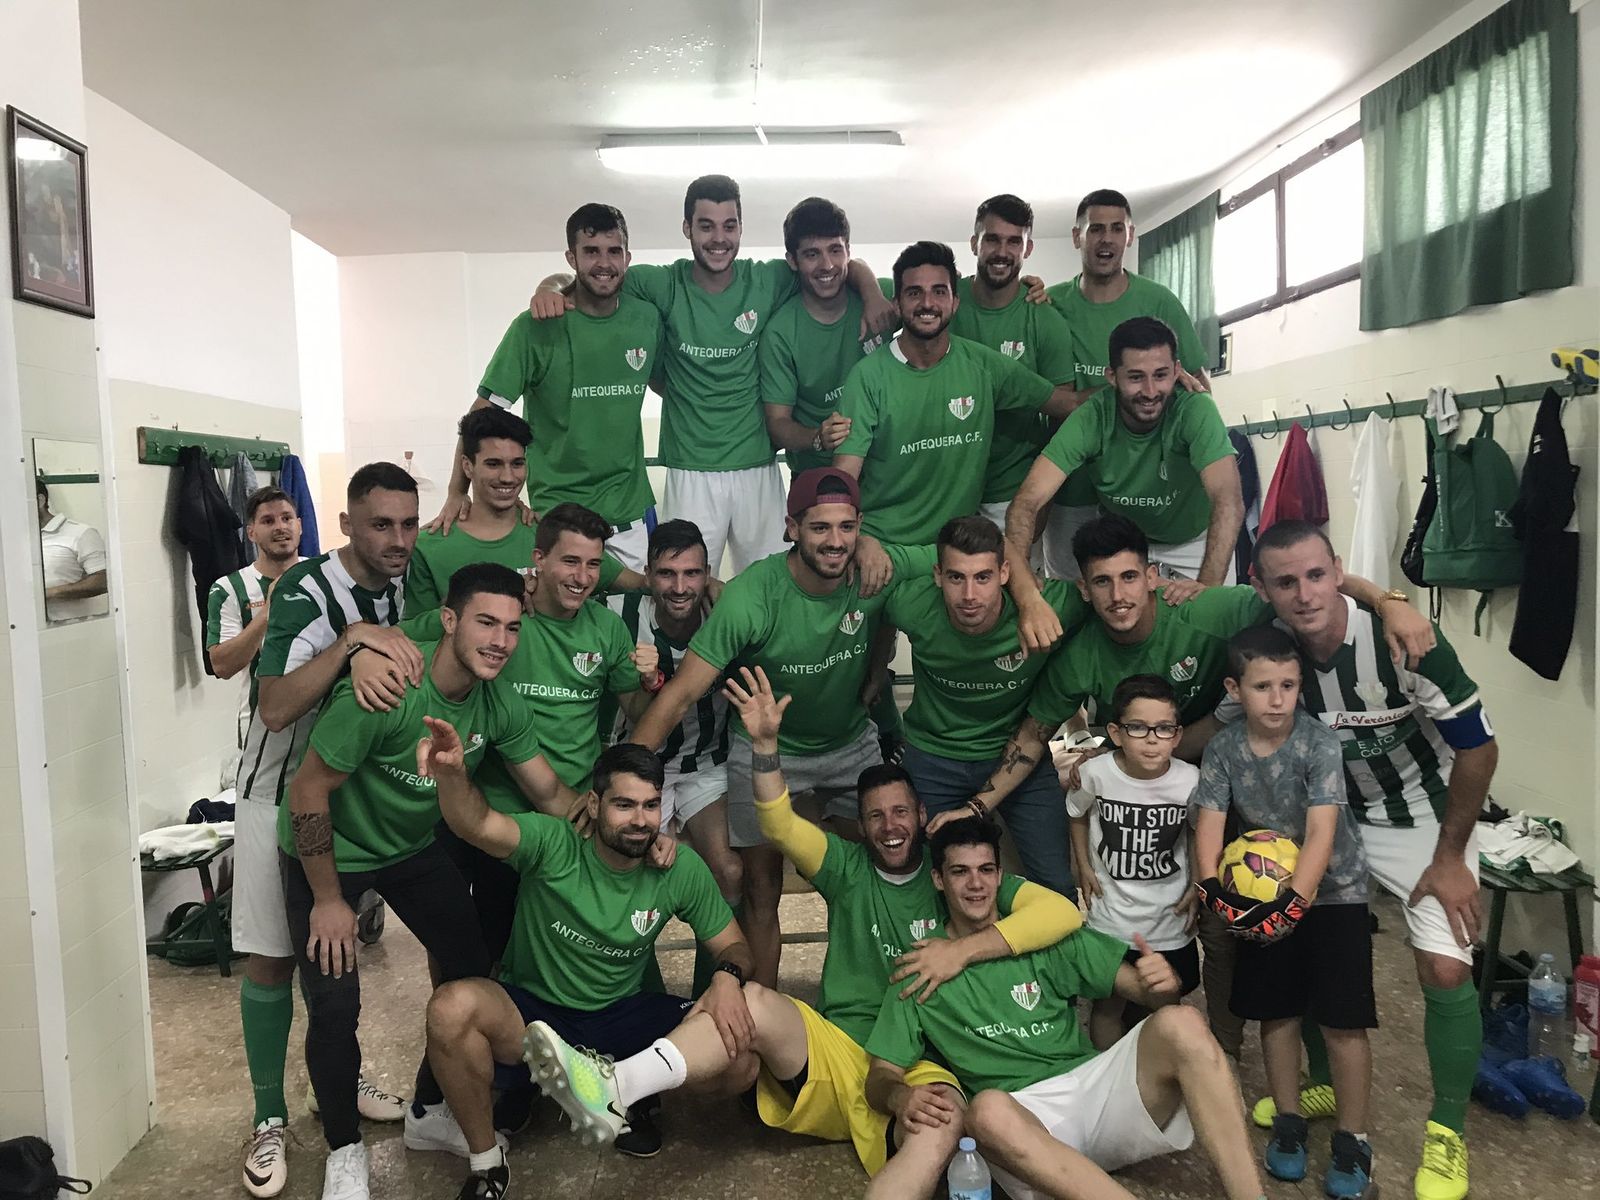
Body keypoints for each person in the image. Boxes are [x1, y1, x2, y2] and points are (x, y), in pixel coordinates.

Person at [529, 664, 1081, 1200]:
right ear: (859, 826)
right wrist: (766, 747)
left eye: (900, 813)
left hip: (922, 1059)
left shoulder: (955, 874)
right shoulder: (846, 867)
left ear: (921, 813)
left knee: (939, 1125)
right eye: (875, 817)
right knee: (753, 1000)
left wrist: (960, 951)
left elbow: (1062, 914)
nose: (890, 828)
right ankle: (616, 1086)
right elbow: (778, 822)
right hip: (839, 1049)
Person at [280, 563, 578, 1200]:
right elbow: (307, 790)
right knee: (335, 1007)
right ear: (449, 621)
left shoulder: (498, 700)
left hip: (410, 848)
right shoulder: (390, 688)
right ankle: (344, 1150)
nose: (500, 639)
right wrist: (329, 900)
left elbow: (548, 789)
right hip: (329, 848)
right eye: (486, 622)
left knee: (471, 972)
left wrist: (613, 832)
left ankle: (427, 1111)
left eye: (512, 627)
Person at [1246, 520, 1494, 1200]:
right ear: (1262, 589)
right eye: (1286, 582)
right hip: (1328, 820)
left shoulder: (1404, 641)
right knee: (1307, 941)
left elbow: (1478, 749)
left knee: (1445, 966)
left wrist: (1449, 857)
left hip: (1422, 817)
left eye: (1317, 576)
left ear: (1338, 570)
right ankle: (1322, 1086)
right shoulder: (1270, 644)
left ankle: (1447, 1133)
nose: (1304, 594)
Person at [863, 817, 1271, 1200]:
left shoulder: (1038, 933)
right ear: (938, 879)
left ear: (1000, 876)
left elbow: (1154, 999)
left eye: (986, 870)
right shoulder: (922, 967)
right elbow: (880, 1073)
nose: (976, 884)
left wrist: (1160, 984)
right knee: (984, 1110)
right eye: (959, 872)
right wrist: (900, 1098)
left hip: (1093, 1089)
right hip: (1024, 1120)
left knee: (1182, 1021)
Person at [421, 739, 749, 1195]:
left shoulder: (677, 866)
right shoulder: (553, 842)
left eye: (651, 805)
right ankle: (488, 1164)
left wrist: (727, 978)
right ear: (593, 805)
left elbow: (733, 944)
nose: (640, 820)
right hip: (534, 1014)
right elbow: (475, 822)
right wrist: (453, 775)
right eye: (624, 804)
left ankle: (623, 1094)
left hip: (622, 1015)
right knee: (450, 1007)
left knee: (741, 1060)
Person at [628, 467, 913, 988]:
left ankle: (887, 1001)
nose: (835, 541)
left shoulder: (871, 572)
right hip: (765, 749)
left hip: (851, 745)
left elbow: (932, 579)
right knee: (759, 887)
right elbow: (682, 691)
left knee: (888, 862)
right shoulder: (752, 596)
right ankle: (758, 1015)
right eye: (819, 528)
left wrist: (877, 670)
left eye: (847, 528)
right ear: (791, 528)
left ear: (860, 527)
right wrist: (622, 778)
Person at [530, 176, 896, 575]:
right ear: (687, 228)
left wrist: (873, 291)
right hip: (692, 471)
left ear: (740, 228)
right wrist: (547, 287)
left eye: (729, 225)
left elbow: (838, 266)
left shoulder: (768, 278)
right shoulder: (662, 282)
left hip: (758, 466)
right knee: (683, 588)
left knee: (773, 583)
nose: (718, 238)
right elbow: (594, 276)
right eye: (706, 225)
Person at [231, 463, 427, 1197]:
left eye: (408, 523)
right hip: (272, 793)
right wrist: (352, 644)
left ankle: (331, 1085)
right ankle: (268, 1116)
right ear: (346, 524)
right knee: (273, 959)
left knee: (332, 959)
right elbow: (275, 705)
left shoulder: (408, 577)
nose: (398, 539)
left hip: (344, 794)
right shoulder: (306, 589)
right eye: (382, 525)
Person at [399, 503, 654, 961]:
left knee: (560, 950)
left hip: (568, 812)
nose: (582, 577)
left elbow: (640, 712)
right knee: (469, 947)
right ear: (539, 560)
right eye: (570, 561)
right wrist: (361, 646)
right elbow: (406, 635)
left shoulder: (608, 630)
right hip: (489, 810)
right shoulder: (504, 615)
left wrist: (654, 682)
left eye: (594, 563)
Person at [1193, 626, 1376, 1197]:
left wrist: (1296, 902)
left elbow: (1322, 829)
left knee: (1344, 1018)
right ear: (1235, 688)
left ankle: (1352, 1138)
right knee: (1278, 1010)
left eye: (1289, 686)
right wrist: (1210, 890)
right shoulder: (1224, 748)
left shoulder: (1319, 742)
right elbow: (1209, 822)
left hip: (1336, 892)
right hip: (1262, 894)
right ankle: (1290, 1125)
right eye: (1263, 686)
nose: (1277, 699)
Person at [432, 203, 661, 571]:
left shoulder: (647, 318)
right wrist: (456, 491)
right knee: (557, 624)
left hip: (629, 518)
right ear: (571, 257)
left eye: (613, 251)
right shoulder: (534, 326)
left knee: (631, 628)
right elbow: (481, 416)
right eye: (591, 251)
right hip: (557, 518)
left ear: (627, 257)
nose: (604, 263)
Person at [831, 240, 1079, 551]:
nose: (927, 303)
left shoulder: (983, 366)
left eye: (939, 291)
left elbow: (1067, 404)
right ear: (896, 304)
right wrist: (860, 541)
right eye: (914, 293)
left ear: (955, 301)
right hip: (884, 548)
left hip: (956, 551)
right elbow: (843, 481)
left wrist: (1133, 385)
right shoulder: (867, 377)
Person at [889, 515, 1087, 896]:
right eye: (956, 578)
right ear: (937, 575)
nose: (969, 595)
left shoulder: (1050, 608)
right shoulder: (909, 604)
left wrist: (1162, 588)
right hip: (933, 755)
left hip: (1016, 755)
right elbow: (866, 599)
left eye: (982, 577)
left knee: (1058, 885)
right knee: (925, 885)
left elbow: (1114, 602)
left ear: (1004, 573)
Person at [1007, 315, 1244, 606]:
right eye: (1135, 377)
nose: (1150, 391)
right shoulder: (1092, 417)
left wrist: (1208, 591)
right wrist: (1020, 580)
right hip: (1123, 548)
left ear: (1177, 371)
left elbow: (1228, 499)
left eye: (1160, 375)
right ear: (1112, 377)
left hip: (1193, 543)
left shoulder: (1196, 409)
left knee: (1209, 630)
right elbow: (1028, 499)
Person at [1040, 188, 1216, 579]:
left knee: (1130, 605)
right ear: (1076, 237)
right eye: (1095, 229)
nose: (1106, 239)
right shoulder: (1048, 305)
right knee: (1073, 603)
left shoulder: (1159, 301)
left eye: (1116, 229)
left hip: (1143, 496)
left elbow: (1201, 388)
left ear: (1130, 236)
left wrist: (1178, 388)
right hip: (1069, 490)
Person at [614, 520, 739, 950]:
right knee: (631, 878)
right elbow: (577, 579)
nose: (680, 586)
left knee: (730, 871)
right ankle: (634, 989)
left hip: (706, 766)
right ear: (647, 576)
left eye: (693, 573)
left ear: (708, 576)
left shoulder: (728, 611)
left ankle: (718, 987)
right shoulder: (623, 615)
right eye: (667, 573)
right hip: (643, 770)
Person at [1067, 675, 1201, 1049]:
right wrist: (1083, 866)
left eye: (1163, 728)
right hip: (1109, 916)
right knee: (1107, 1005)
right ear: (1116, 732)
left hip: (1167, 917)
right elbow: (1076, 814)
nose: (1152, 738)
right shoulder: (1095, 773)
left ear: (1177, 735)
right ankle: (1107, 1076)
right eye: (1138, 728)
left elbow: (1196, 833)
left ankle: (1158, 1073)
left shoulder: (1190, 781)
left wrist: (1197, 882)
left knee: (1166, 1004)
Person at [409, 407, 621, 614]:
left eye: (517, 464)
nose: (508, 477)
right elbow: (416, 636)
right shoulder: (428, 547)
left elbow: (633, 581)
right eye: (494, 464)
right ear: (467, 466)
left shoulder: (550, 534)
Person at [953, 194, 1080, 533]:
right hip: (945, 489)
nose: (1002, 251)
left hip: (1011, 493)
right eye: (992, 239)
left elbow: (1062, 421)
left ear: (1028, 249)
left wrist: (1040, 502)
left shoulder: (1044, 319)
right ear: (974, 243)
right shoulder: (943, 300)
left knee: (1015, 585)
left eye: (1014, 241)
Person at [759, 196, 888, 473]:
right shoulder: (780, 333)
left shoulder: (881, 300)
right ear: (792, 260)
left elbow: (935, 301)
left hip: (885, 475)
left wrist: (872, 291)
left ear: (848, 251)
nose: (827, 265)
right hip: (816, 480)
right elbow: (778, 424)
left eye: (835, 250)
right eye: (812, 254)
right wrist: (817, 437)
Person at [207, 486, 302, 775]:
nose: (280, 527)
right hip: (263, 728)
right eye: (268, 521)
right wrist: (269, 611)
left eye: (287, 518)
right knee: (267, 815)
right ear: (251, 533)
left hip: (325, 719)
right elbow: (222, 665)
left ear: (299, 525)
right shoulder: (229, 589)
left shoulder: (325, 575)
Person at [35, 477, 108, 621]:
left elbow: (103, 581)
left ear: (40, 501)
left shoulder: (81, 533)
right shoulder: (14, 541)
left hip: (70, 632)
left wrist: (48, 594)